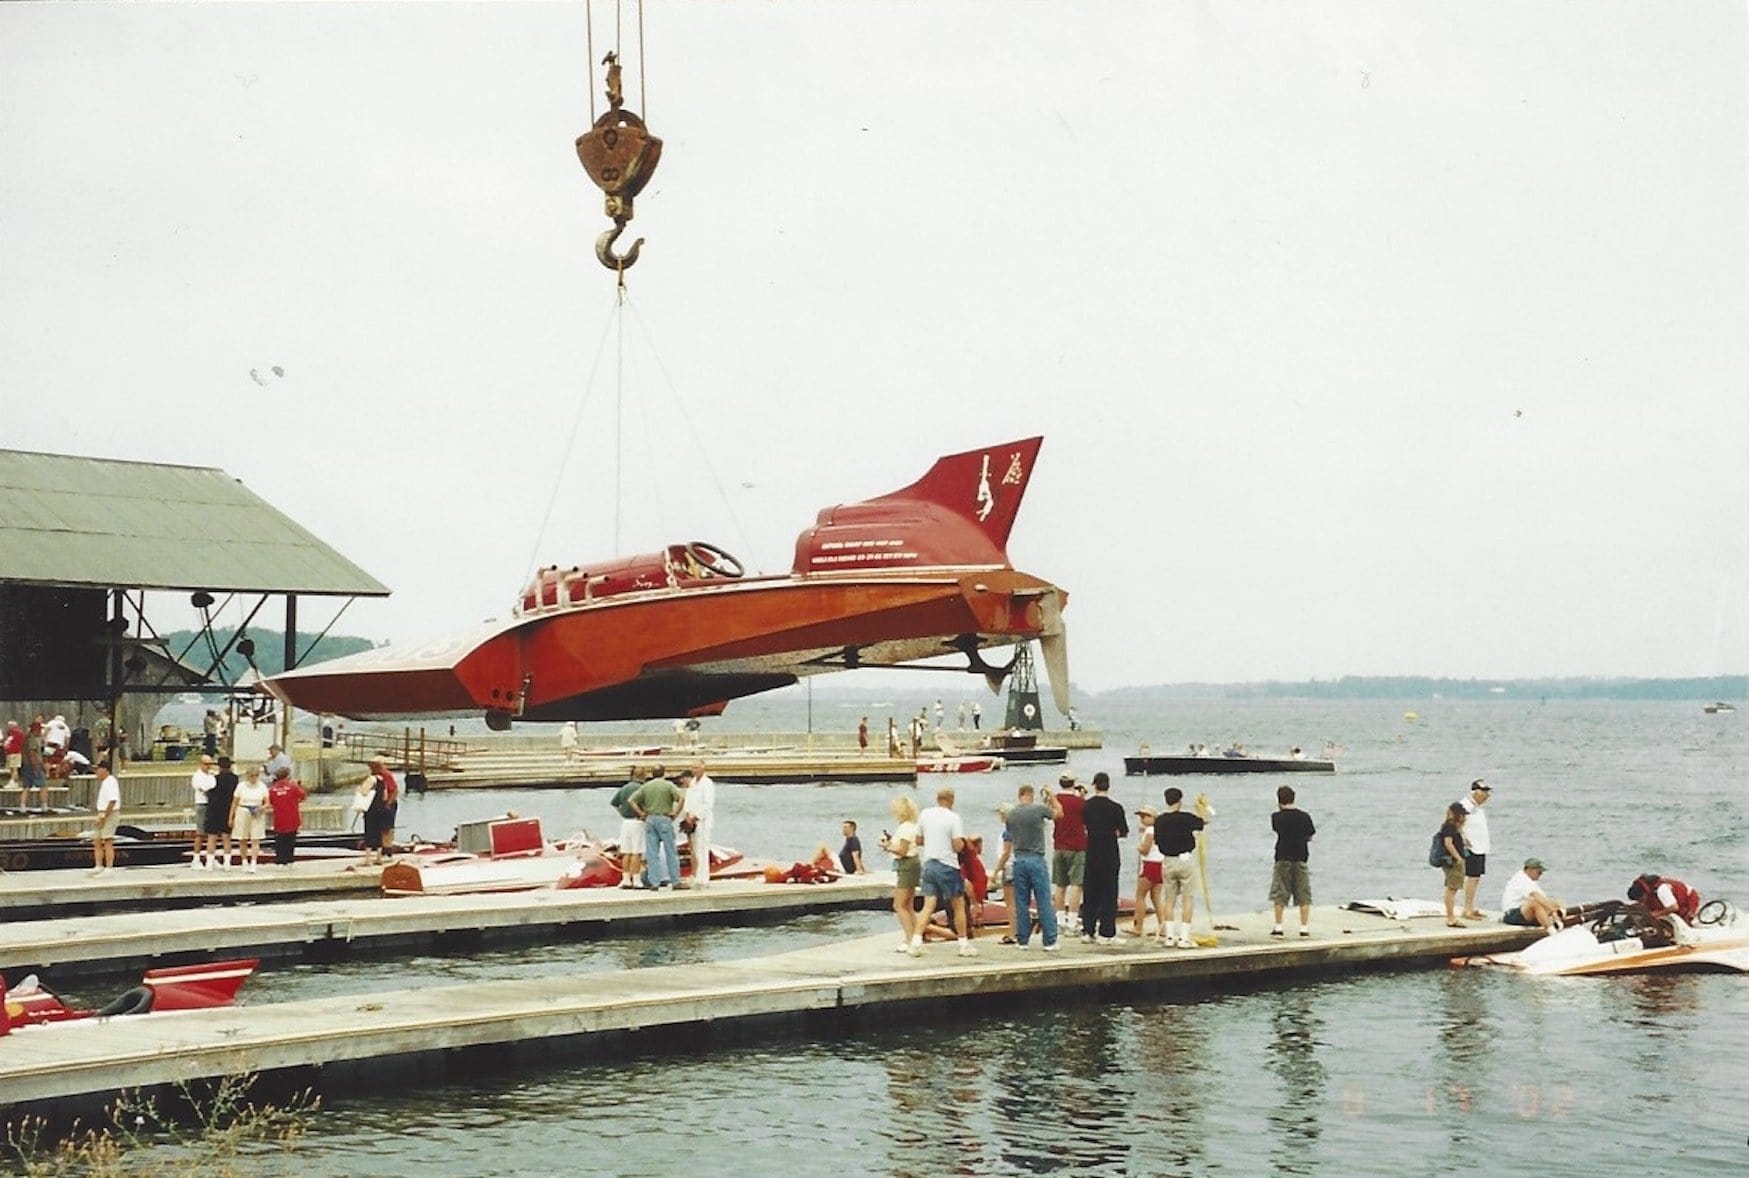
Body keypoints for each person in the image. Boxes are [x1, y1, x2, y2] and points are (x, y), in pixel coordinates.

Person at [908, 786, 976, 958]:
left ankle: (915, 942)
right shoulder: (953, 818)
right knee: (958, 904)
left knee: (928, 905)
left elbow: (918, 839)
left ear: (937, 799)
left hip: (929, 863)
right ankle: (963, 944)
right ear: (951, 800)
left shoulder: (925, 814)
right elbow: (957, 845)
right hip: (947, 864)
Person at [1004, 783, 1063, 950]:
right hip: (1036, 859)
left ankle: (1022, 940)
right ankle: (1050, 940)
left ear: (1019, 795)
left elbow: (1010, 834)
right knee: (1043, 900)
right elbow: (1059, 814)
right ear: (1031, 794)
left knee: (1021, 902)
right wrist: (1052, 796)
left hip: (1019, 859)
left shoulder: (1011, 814)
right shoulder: (1039, 809)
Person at [1153, 787, 1210, 948]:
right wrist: (1201, 808)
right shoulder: (1186, 818)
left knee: (1169, 899)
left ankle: (1170, 936)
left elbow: (1157, 841)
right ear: (1180, 800)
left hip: (1168, 860)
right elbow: (1203, 822)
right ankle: (1184, 937)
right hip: (1185, 860)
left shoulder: (1160, 820)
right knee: (1187, 898)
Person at [1078, 771, 1127, 944]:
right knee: (1109, 893)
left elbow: (1082, 826)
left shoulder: (1086, 806)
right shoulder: (1116, 807)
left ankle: (1088, 929)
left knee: (1090, 892)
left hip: (1092, 851)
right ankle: (1106, 932)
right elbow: (1123, 832)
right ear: (1108, 786)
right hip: (1110, 852)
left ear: (1094, 785)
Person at [1269, 784, 1316, 937]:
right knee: (1303, 894)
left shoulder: (1276, 817)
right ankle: (1303, 927)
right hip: (1301, 856)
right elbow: (1310, 836)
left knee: (1280, 893)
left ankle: (1278, 926)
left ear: (1279, 800)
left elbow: (1277, 830)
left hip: (1282, 856)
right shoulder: (1305, 816)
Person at [880, 794, 922, 952]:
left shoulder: (904, 828)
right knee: (909, 905)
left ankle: (910, 939)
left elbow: (902, 851)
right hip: (913, 864)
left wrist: (887, 847)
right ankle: (916, 937)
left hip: (906, 865)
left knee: (899, 905)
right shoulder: (913, 826)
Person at [630, 765, 684, 889]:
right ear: (663, 773)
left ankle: (654, 882)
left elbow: (631, 800)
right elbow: (681, 798)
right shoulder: (668, 785)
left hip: (650, 819)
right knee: (670, 851)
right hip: (664, 818)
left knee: (652, 853)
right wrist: (675, 813)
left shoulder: (646, 786)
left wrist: (642, 813)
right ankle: (675, 881)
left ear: (652, 774)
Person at [1050, 772, 1087, 931]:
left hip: (1059, 845)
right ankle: (1072, 919)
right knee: (1076, 885)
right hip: (1077, 845)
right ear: (1073, 783)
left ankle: (1059, 919)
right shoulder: (1080, 803)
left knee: (1060, 885)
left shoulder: (1055, 800)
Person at [1458, 779, 1492, 920]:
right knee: (1471, 877)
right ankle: (1467, 909)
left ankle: (1471, 907)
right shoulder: (1464, 806)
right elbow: (1455, 823)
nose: (1487, 795)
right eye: (1484, 792)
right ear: (1475, 792)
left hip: (1480, 847)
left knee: (1476, 877)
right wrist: (1462, 839)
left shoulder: (1477, 808)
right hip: (1471, 848)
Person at [1500, 858, 1565, 932]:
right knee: (1535, 904)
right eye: (1539, 872)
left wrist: (1556, 909)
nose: (1541, 874)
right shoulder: (1520, 879)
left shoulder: (1531, 881)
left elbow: (1545, 899)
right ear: (1530, 870)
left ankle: (1560, 922)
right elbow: (1536, 897)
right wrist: (1554, 911)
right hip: (1512, 914)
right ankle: (1551, 931)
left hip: (1525, 912)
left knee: (1557, 901)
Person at [610, 768, 649, 888]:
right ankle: (636, 880)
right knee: (637, 852)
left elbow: (614, 803)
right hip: (638, 821)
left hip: (625, 822)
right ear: (643, 776)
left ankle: (625, 878)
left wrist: (622, 812)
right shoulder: (642, 788)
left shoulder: (624, 788)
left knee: (626, 851)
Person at [1130, 804, 1164, 938]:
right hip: (1160, 864)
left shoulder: (1150, 831)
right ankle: (1163, 926)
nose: (1142, 819)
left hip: (1150, 865)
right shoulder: (1158, 830)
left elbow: (1145, 849)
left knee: (1140, 895)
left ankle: (1138, 926)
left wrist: (1139, 847)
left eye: (1145, 816)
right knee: (1156, 898)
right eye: (1141, 816)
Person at [682, 759, 717, 888]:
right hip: (690, 819)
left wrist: (696, 817)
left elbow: (707, 804)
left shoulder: (707, 784)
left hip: (702, 821)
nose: (694, 770)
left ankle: (704, 878)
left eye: (697, 767)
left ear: (703, 768)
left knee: (702, 849)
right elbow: (688, 801)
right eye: (693, 767)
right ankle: (698, 876)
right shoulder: (692, 784)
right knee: (695, 850)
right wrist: (686, 815)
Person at [229, 766, 269, 872]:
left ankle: (254, 862)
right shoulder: (241, 786)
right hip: (243, 810)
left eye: (255, 776)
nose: (253, 778)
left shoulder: (262, 786)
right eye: (251, 776)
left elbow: (267, 802)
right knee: (242, 838)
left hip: (257, 811)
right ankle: (244, 861)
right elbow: (234, 802)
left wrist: (261, 808)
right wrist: (231, 817)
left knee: (255, 839)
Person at [362, 754, 399, 866]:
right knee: (380, 828)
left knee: (387, 828)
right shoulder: (373, 777)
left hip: (387, 804)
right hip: (377, 805)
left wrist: (388, 803)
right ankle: (381, 851)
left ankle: (387, 850)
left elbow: (394, 790)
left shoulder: (386, 775)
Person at [267, 765, 308, 867]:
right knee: (290, 840)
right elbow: (303, 796)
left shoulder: (272, 790)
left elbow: (269, 802)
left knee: (280, 840)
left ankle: (280, 860)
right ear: (287, 776)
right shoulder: (293, 787)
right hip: (292, 818)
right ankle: (289, 860)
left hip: (279, 819)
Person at [203, 755, 238, 868]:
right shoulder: (235, 779)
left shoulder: (214, 778)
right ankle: (227, 863)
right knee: (226, 837)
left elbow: (208, 792)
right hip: (228, 809)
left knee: (212, 837)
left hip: (214, 809)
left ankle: (209, 863)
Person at [1437, 802, 1469, 928]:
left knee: (1453, 888)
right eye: (1462, 815)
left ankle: (1451, 916)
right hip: (1453, 861)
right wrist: (1458, 858)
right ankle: (1450, 917)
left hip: (1455, 860)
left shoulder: (1453, 827)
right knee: (1451, 888)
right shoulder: (1449, 827)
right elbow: (1448, 843)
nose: (1464, 818)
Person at [88, 761, 121, 875]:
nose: (96, 772)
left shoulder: (111, 782)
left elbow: (112, 801)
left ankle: (109, 867)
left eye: (98, 769)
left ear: (105, 770)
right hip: (101, 812)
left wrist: (104, 816)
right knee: (97, 840)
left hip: (109, 813)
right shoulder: (104, 783)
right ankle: (98, 865)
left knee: (107, 840)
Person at [1626, 872, 1701, 922]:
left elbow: (1674, 907)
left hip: (1688, 899)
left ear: (1644, 894)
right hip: (1670, 900)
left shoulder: (1661, 889)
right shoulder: (1640, 887)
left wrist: (1656, 914)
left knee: (1684, 920)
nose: (1640, 902)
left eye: (1641, 900)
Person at [188, 754, 217, 868]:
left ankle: (210, 856)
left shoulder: (212, 775)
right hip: (202, 804)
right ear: (200, 764)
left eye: (210, 764)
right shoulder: (197, 776)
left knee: (212, 834)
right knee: (200, 833)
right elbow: (204, 790)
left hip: (212, 805)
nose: (209, 766)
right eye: (206, 764)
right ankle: (196, 858)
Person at [19, 718, 47, 811]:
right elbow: (32, 754)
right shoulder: (32, 740)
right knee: (43, 785)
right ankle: (44, 805)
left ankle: (22, 806)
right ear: (36, 730)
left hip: (27, 765)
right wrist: (36, 767)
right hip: (33, 765)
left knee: (26, 786)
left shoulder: (28, 739)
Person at [4, 720, 22, 788]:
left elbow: (19, 743)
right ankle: (15, 783)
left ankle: (13, 782)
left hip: (15, 753)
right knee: (11, 768)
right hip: (10, 753)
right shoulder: (10, 734)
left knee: (14, 768)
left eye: (10, 725)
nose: (8, 727)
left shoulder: (18, 733)